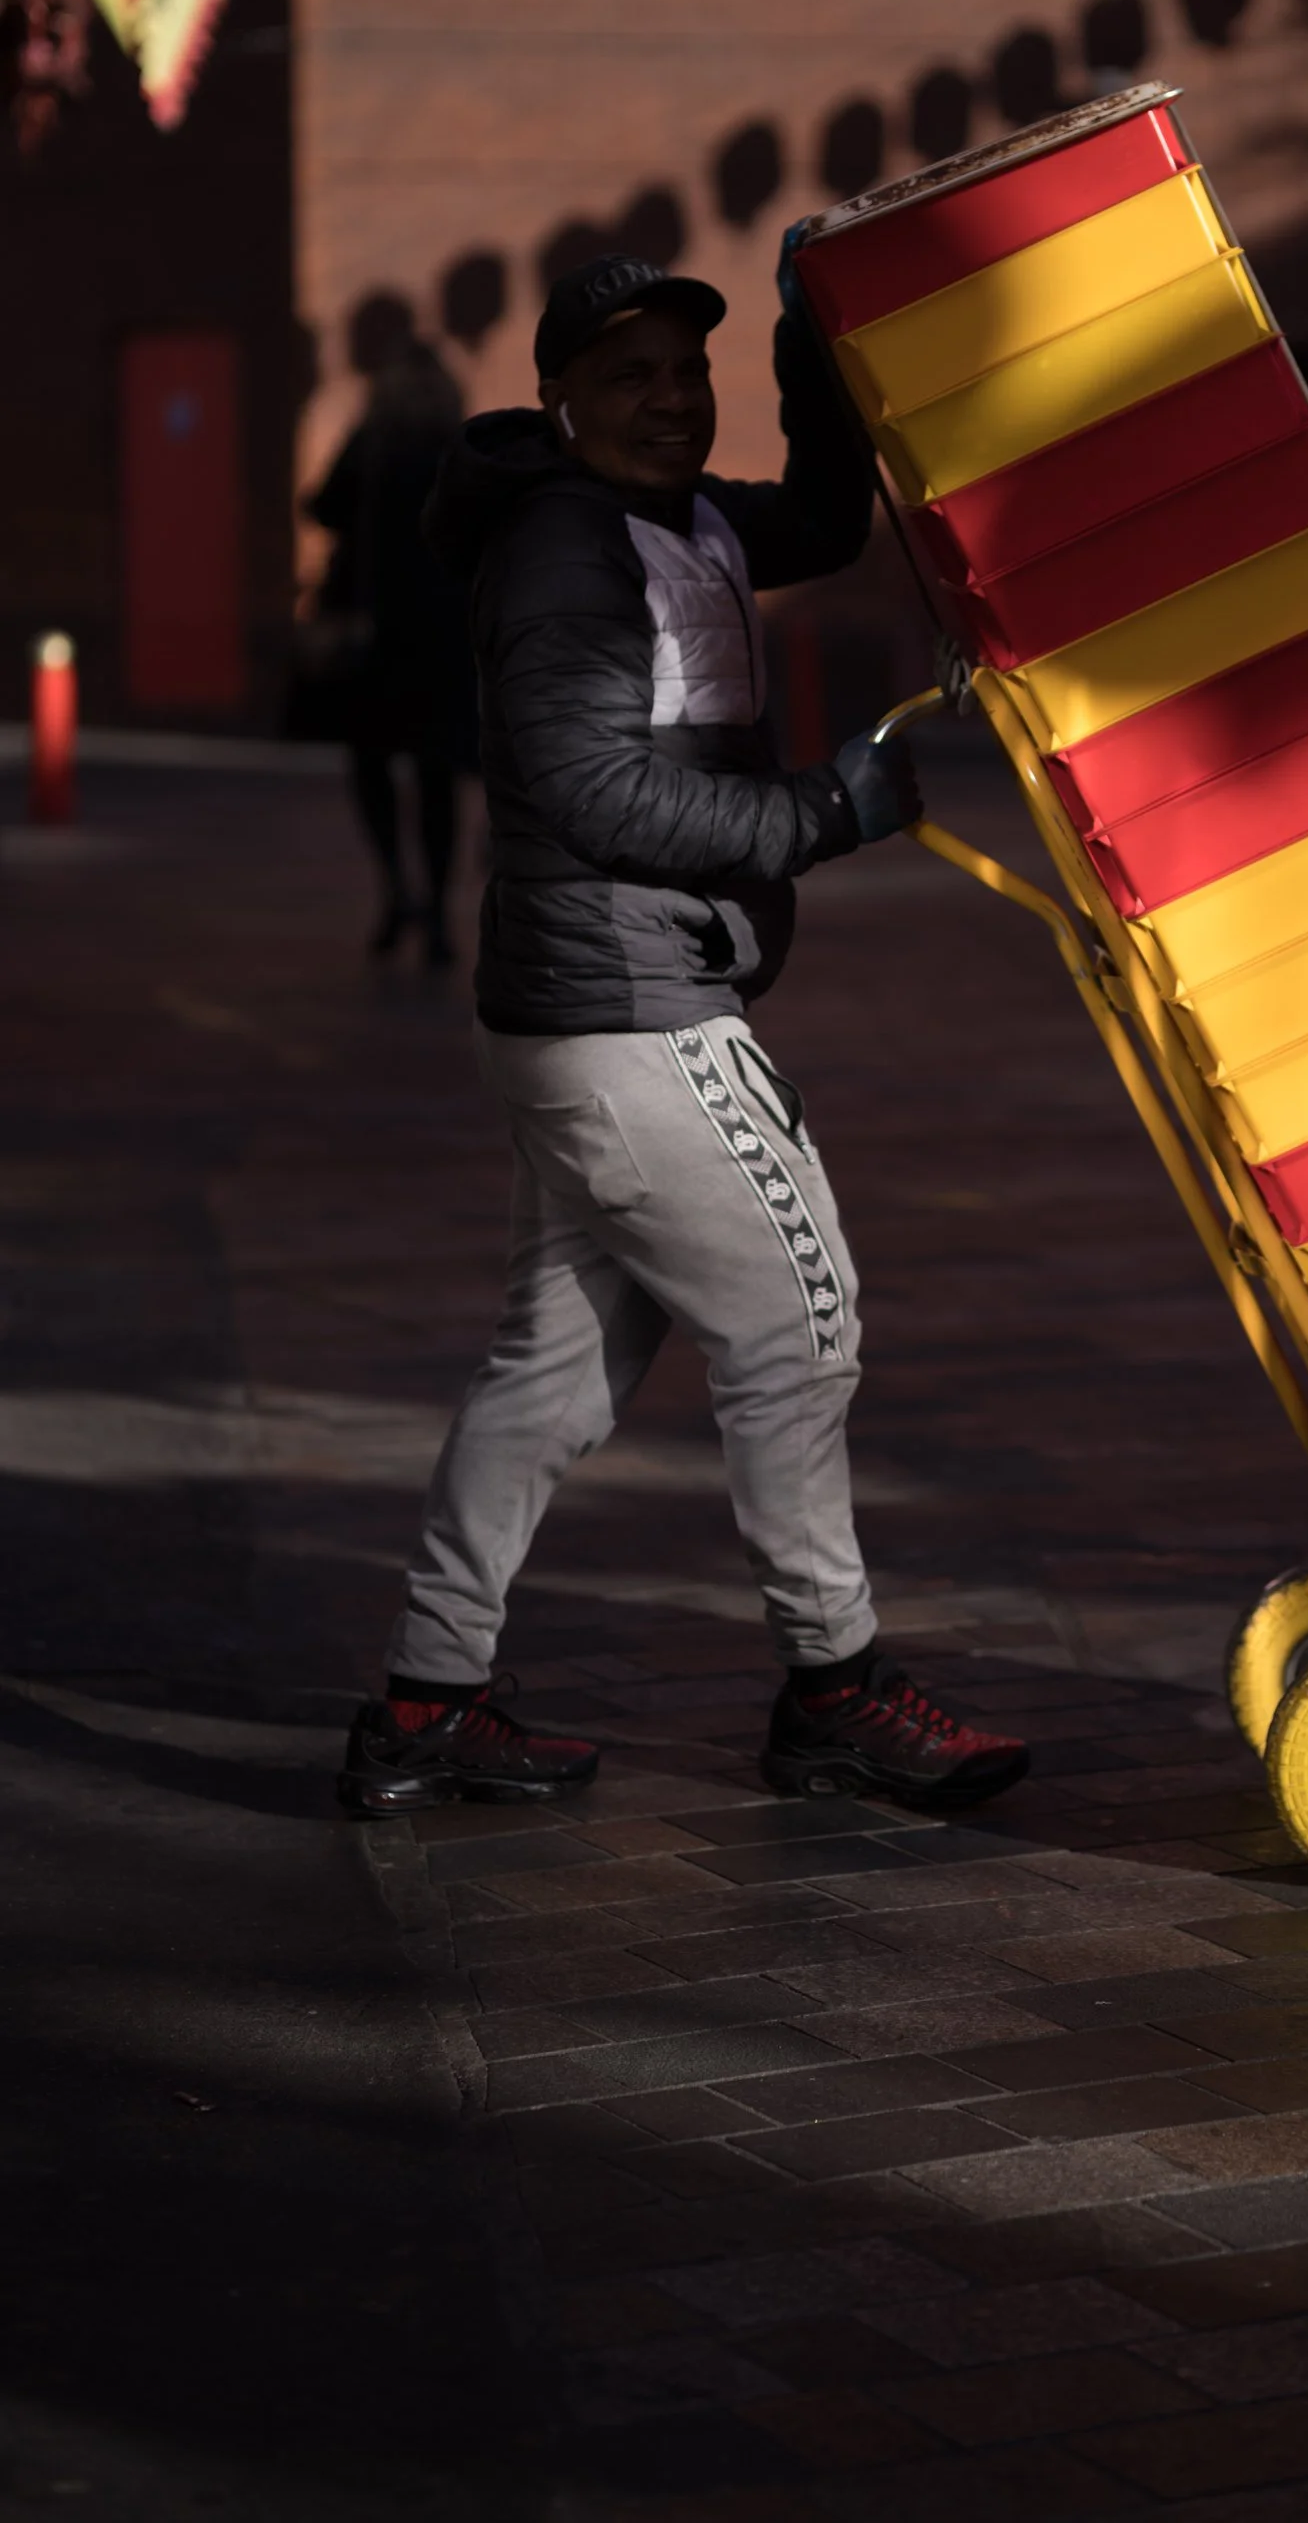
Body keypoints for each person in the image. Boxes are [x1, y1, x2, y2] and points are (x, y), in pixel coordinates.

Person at [337, 252, 1030, 1822]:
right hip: (626, 1014)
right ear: (561, 398)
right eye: (631, 373)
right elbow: (590, 794)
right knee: (803, 1324)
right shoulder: (567, 554)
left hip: (595, 1008)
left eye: (688, 371)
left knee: (552, 1372)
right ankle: (835, 1692)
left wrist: (813, 353)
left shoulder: (687, 516)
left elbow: (826, 520)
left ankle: (427, 1704)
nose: (669, 397)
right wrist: (822, 815)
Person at [303, 339, 478, 965]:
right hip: (442, 633)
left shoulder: (371, 445)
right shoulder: (460, 451)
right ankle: (435, 909)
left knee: (372, 765)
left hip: (375, 633)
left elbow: (320, 508)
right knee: (437, 778)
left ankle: (394, 888)